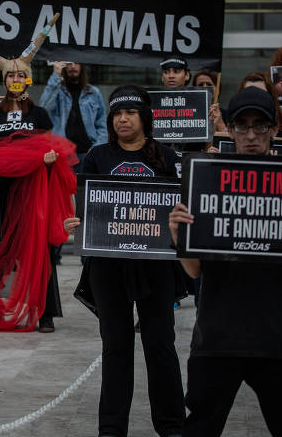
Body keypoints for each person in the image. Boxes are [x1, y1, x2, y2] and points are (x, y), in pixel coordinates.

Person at [168, 86, 282, 437]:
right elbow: (194, 271)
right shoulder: (207, 181)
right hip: (217, 339)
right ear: (230, 130)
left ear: (273, 128)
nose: (251, 134)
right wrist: (179, 236)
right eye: (242, 125)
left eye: (260, 125)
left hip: (278, 340)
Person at [64, 85, 185, 437]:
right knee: (116, 346)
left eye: (130, 112)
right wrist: (78, 225)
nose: (123, 119)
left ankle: (173, 426)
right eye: (117, 113)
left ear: (145, 116)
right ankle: (112, 429)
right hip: (108, 268)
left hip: (156, 267)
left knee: (160, 344)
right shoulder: (97, 157)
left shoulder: (169, 157)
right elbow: (85, 212)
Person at [0, 15, 77, 333]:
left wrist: (49, 158)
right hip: (1, 191)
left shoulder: (38, 113)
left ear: (27, 80)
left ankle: (45, 312)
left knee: (37, 251)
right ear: (5, 82)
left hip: (33, 190)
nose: (14, 81)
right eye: (9, 77)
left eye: (19, 76)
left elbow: (53, 146)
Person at [39, 60, 107, 167]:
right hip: (61, 153)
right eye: (69, 63)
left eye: (76, 62)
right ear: (64, 66)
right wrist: (56, 75)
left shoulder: (93, 92)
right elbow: (44, 108)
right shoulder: (57, 90)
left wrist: (96, 149)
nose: (73, 66)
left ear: (82, 66)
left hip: (87, 153)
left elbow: (102, 125)